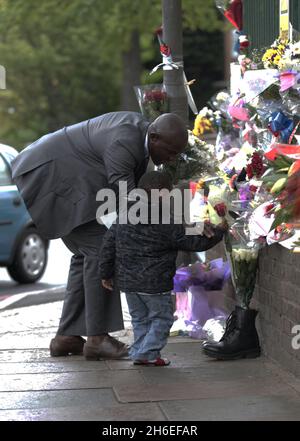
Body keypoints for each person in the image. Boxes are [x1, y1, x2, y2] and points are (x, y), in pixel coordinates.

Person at [11, 112, 189, 360]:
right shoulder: (125, 141)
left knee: (85, 254)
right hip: (49, 173)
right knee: (101, 249)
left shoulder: (141, 135)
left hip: (62, 171)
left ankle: (67, 336)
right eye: (171, 152)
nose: (172, 159)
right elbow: (125, 193)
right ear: (155, 137)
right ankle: (97, 338)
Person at [99, 171, 227, 366]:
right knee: (163, 319)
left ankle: (140, 352)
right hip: (155, 284)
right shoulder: (165, 219)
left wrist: (105, 273)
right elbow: (193, 243)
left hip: (128, 283)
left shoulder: (125, 215)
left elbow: (108, 244)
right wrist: (219, 232)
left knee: (140, 319)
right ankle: (147, 353)